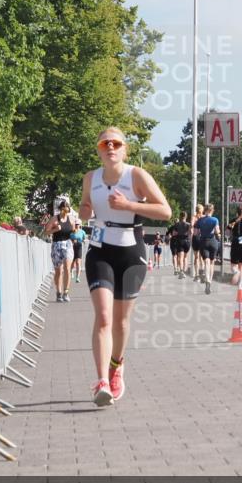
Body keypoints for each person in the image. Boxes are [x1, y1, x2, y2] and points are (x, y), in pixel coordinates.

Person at [80, 127, 171, 407]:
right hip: (100, 252)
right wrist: (84, 210)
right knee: (104, 317)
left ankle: (116, 365)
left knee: (121, 320)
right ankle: (101, 382)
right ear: (99, 149)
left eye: (116, 143)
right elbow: (85, 206)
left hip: (131, 254)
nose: (110, 147)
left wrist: (129, 204)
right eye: (105, 143)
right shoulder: (90, 178)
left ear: (124, 149)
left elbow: (165, 211)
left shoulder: (136, 176)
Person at [43, 199, 78, 302]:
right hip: (57, 244)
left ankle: (66, 292)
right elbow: (45, 232)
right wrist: (55, 229)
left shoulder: (71, 220)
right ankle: (58, 292)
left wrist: (74, 237)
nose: (65, 210)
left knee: (67, 268)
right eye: (63, 208)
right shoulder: (55, 219)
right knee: (58, 270)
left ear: (68, 209)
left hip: (67, 244)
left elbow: (73, 233)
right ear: (60, 209)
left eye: (66, 208)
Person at [194, 203, 221, 294]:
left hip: (203, 242)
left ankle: (207, 278)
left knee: (206, 261)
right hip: (213, 242)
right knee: (212, 262)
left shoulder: (200, 220)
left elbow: (195, 233)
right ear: (212, 210)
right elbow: (217, 231)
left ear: (205, 210)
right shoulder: (215, 220)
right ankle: (210, 281)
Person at [168, 212, 191, 278]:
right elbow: (190, 232)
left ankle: (181, 271)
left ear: (180, 217)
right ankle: (184, 270)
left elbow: (174, 233)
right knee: (185, 257)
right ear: (186, 217)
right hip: (187, 241)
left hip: (180, 241)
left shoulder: (176, 225)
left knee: (180, 257)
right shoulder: (189, 224)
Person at [190, 203, 204, 280]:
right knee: (202, 257)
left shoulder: (194, 217)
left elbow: (191, 225)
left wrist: (191, 229)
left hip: (196, 238)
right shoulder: (204, 217)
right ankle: (203, 272)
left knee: (196, 257)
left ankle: (197, 275)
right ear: (202, 210)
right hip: (202, 238)